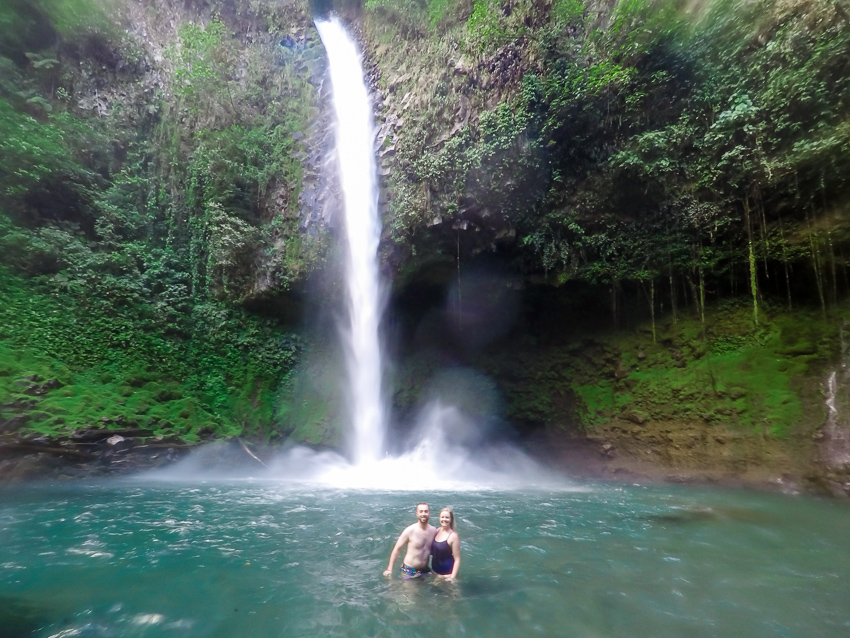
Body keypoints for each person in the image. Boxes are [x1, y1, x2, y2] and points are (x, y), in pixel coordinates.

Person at [383, 502, 437, 579]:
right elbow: (397, 549)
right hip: (409, 570)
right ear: (417, 514)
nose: (423, 514)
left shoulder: (433, 531)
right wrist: (389, 569)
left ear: (429, 513)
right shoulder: (409, 531)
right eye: (421, 511)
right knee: (410, 591)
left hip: (425, 569)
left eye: (426, 511)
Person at [431, 507, 461, 580]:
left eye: (447, 517)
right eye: (442, 517)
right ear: (439, 518)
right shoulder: (437, 530)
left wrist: (452, 577)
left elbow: (457, 559)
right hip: (435, 572)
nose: (444, 519)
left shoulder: (453, 536)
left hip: (447, 574)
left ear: (451, 519)